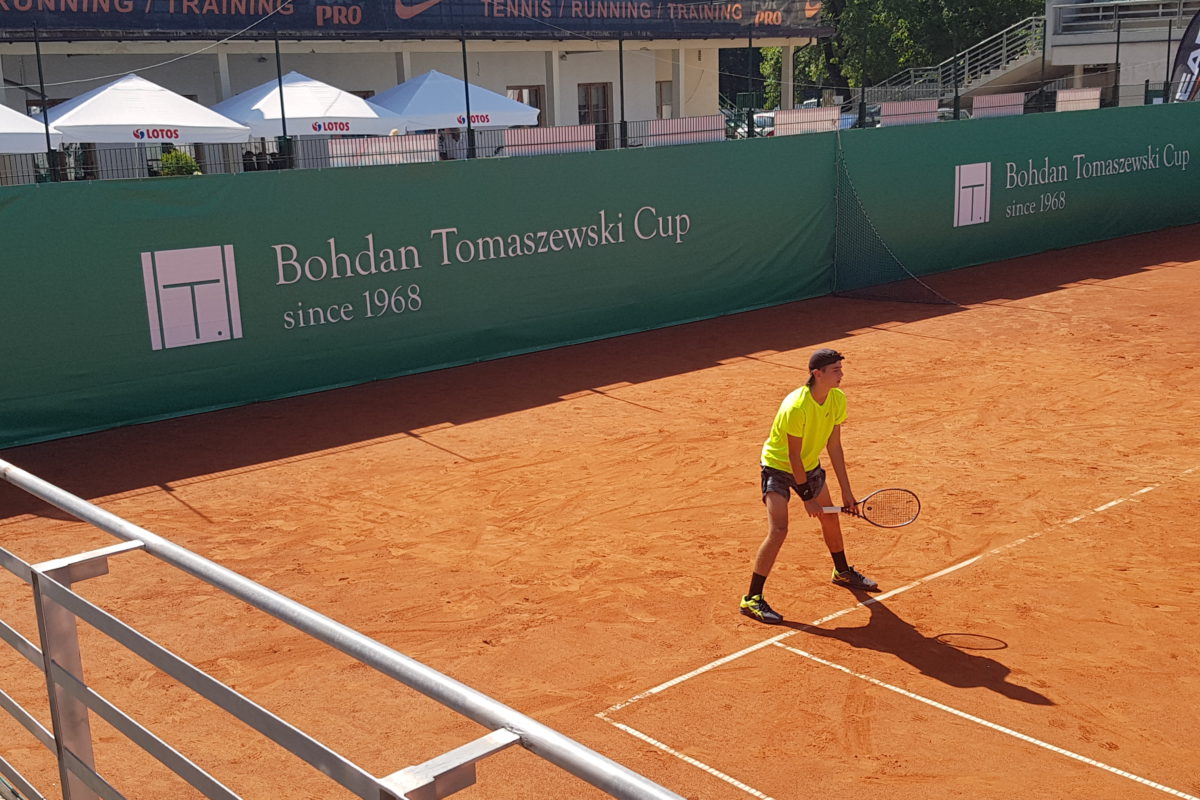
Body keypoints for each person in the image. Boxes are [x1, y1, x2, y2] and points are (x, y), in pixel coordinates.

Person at [740, 348, 879, 625]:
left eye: (841, 368)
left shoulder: (837, 399)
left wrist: (847, 491)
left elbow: (835, 445)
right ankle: (752, 599)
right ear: (818, 374)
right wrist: (806, 498)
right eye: (836, 370)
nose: (841, 374)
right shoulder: (796, 406)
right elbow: (792, 457)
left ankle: (841, 572)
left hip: (810, 466)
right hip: (778, 467)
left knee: (829, 516)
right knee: (779, 529)